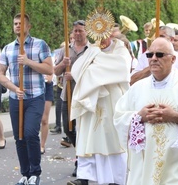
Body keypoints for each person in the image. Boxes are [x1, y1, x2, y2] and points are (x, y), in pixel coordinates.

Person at [114, 37, 178, 184]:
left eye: (160, 55)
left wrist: (176, 117)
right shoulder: (137, 88)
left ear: (173, 59)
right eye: (150, 55)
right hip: (145, 164)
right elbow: (119, 117)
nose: (154, 59)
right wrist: (138, 116)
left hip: (177, 165)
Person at [68, 34, 132, 185]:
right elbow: (78, 70)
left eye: (103, 35)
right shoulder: (92, 50)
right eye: (97, 36)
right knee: (88, 137)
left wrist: (95, 70)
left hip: (113, 101)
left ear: (110, 34)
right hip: (93, 101)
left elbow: (122, 69)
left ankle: (116, 180)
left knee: (113, 140)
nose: (101, 39)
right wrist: (97, 70)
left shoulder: (121, 50)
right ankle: (83, 177)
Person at [0, 14, 53, 185]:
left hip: (35, 96)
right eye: (15, 23)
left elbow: (49, 69)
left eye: (21, 24)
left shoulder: (39, 44)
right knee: (19, 137)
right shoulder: (7, 48)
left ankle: (35, 173)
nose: (17, 26)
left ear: (29, 26)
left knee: (30, 133)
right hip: (16, 98)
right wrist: (13, 88)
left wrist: (28, 61)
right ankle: (25, 174)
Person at [54, 20, 90, 177]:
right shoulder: (65, 50)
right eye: (75, 31)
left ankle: (81, 161)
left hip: (85, 96)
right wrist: (63, 63)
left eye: (80, 31)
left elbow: (95, 73)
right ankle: (80, 154)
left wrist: (74, 74)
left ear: (86, 32)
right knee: (68, 129)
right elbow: (55, 71)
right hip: (67, 95)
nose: (77, 34)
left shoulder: (92, 50)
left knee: (83, 131)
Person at [40, 75, 54, 154]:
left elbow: (49, 77)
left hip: (46, 86)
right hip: (33, 86)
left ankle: (42, 145)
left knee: (44, 120)